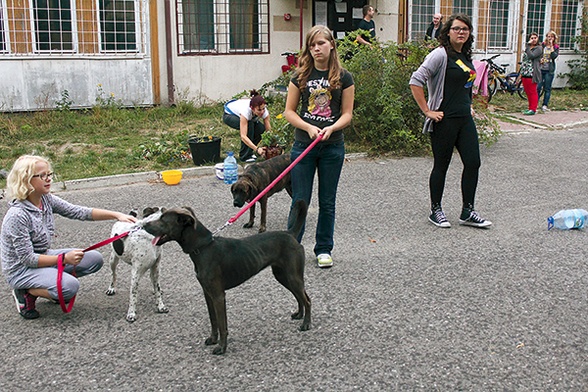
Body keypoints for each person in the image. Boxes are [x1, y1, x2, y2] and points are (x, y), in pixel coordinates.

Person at [1, 155, 137, 319]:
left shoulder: (46, 199)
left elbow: (79, 212)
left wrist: (117, 215)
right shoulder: (17, 216)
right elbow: (28, 259)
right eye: (42, 176)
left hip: (42, 256)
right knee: (70, 287)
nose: (48, 179)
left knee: (94, 259)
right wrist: (64, 258)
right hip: (22, 270)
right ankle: (25, 292)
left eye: (49, 174)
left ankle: (50, 285)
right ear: (26, 180)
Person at [409, 13, 492, 229]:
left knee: (473, 162)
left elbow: (463, 86)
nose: (461, 32)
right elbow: (416, 80)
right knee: (441, 166)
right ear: (448, 32)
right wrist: (427, 110)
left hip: (464, 120)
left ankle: (468, 211)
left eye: (465, 29)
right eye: (456, 29)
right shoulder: (440, 55)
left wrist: (469, 105)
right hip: (444, 120)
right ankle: (435, 210)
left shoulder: (465, 55)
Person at [284, 25, 355, 268]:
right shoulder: (300, 76)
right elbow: (289, 112)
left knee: (327, 201)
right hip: (303, 146)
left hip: (332, 147)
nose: (316, 49)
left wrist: (332, 128)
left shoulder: (344, 77)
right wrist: (308, 127)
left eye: (321, 43)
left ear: (331, 45)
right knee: (300, 200)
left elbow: (347, 114)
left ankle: (324, 249)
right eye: (312, 45)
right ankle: (290, 248)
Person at [222, 90, 270, 162]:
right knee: (249, 126)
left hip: (247, 118)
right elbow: (243, 136)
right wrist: (257, 149)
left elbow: (268, 131)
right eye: (259, 110)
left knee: (260, 129)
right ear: (252, 108)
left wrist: (271, 145)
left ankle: (249, 152)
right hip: (229, 115)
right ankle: (244, 156)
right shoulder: (245, 111)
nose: (262, 112)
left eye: (263, 109)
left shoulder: (264, 111)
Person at [521, 32, 543, 115]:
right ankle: (529, 107)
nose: (533, 40)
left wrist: (527, 47)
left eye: (535, 38)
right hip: (525, 71)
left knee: (532, 91)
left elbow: (531, 56)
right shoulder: (529, 48)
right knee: (527, 91)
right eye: (532, 38)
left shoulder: (539, 48)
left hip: (532, 72)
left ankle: (533, 109)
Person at [538, 31, 559, 112]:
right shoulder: (542, 45)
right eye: (548, 36)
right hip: (541, 69)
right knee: (538, 87)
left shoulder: (556, 47)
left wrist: (551, 47)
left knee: (547, 88)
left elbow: (554, 56)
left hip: (549, 70)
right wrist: (540, 60)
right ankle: (535, 103)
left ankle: (545, 104)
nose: (549, 38)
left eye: (551, 37)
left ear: (554, 38)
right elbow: (538, 54)